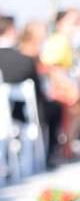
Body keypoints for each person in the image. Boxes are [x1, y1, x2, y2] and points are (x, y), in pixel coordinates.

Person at [0, 16, 62, 166]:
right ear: (11, 31)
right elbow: (39, 92)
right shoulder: (24, 60)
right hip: (24, 115)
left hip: (5, 117)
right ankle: (50, 154)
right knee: (56, 107)